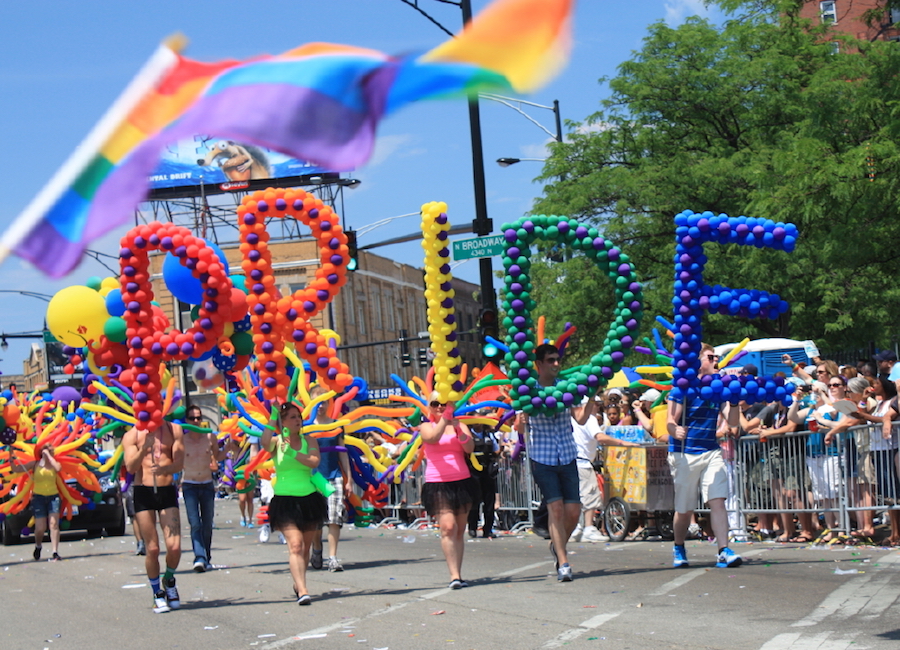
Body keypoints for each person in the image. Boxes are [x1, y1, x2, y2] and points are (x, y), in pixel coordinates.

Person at [517, 343, 597, 582]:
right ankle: (563, 561)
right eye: (550, 360)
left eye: (557, 360)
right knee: (556, 508)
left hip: (568, 454)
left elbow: (581, 419)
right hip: (542, 457)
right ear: (539, 364)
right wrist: (522, 418)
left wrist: (592, 395)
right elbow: (520, 428)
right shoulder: (528, 389)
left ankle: (557, 543)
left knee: (573, 511)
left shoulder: (565, 388)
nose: (555, 364)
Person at [667, 344, 742, 569]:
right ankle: (679, 546)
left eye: (717, 357)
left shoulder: (718, 388)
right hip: (685, 454)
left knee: (717, 500)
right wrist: (675, 430)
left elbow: (734, 422)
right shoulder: (682, 387)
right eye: (711, 357)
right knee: (685, 508)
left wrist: (736, 402)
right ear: (697, 360)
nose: (716, 360)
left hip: (711, 451)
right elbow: (670, 421)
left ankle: (723, 550)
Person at [260, 402, 327, 606]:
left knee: (305, 548)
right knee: (295, 545)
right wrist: (273, 417)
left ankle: (299, 584)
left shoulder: (310, 441)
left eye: (298, 416)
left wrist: (293, 453)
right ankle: (304, 590)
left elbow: (314, 461)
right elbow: (263, 441)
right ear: (283, 422)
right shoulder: (275, 442)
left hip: (308, 499)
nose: (297, 420)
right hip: (285, 500)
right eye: (291, 417)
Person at [123, 420, 185, 613]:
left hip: (166, 491)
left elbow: (179, 463)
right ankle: (157, 592)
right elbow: (131, 467)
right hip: (143, 492)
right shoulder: (132, 435)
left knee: (174, 547)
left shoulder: (173, 429)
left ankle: (169, 579)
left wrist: (166, 469)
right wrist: (144, 449)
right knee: (153, 548)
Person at [420, 395, 476, 588]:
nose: (439, 407)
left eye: (443, 403)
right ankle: (453, 575)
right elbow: (432, 438)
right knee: (448, 527)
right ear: (429, 407)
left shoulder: (459, 424)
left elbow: (469, 447)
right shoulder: (426, 426)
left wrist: (458, 426)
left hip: (461, 481)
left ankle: (458, 574)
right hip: (437, 482)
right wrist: (445, 418)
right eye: (435, 404)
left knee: (459, 530)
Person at [570, 399, 638, 543]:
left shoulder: (573, 418)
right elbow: (599, 437)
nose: (597, 407)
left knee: (576, 497)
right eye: (596, 404)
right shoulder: (589, 418)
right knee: (590, 495)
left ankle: (577, 528)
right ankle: (588, 528)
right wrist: (622, 442)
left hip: (572, 461)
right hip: (582, 462)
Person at [180, 405, 229, 572]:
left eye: (199, 418)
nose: (196, 421)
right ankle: (199, 557)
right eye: (192, 418)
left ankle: (206, 557)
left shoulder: (209, 437)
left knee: (207, 524)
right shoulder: (182, 440)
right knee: (195, 524)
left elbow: (218, 456)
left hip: (207, 484)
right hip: (190, 484)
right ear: (186, 421)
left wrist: (228, 449)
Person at [309, 386, 352, 572]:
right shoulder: (305, 427)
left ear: (329, 403)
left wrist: (348, 478)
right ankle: (317, 549)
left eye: (324, 401)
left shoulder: (336, 425)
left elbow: (343, 453)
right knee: (317, 521)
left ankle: (333, 557)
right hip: (314, 478)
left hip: (333, 476)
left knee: (334, 518)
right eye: (317, 402)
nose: (320, 406)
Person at [11, 446, 62, 561]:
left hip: (53, 497)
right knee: (40, 528)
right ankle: (38, 545)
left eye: (49, 450)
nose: (47, 451)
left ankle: (55, 552)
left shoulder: (54, 464)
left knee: (54, 525)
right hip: (38, 498)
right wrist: (10, 456)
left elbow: (58, 469)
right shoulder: (35, 464)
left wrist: (48, 456)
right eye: (45, 450)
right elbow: (16, 469)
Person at [467, 419, 501, 539]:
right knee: (474, 501)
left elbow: (496, 449)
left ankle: (488, 529)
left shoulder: (489, 434)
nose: (478, 422)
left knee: (489, 501)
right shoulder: (467, 434)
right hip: (473, 471)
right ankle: (472, 527)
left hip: (487, 470)